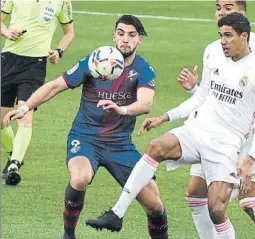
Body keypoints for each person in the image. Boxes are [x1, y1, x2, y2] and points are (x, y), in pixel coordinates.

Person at [85, 13, 255, 239]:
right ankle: (116, 213)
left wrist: (249, 159)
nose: (222, 41)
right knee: (156, 147)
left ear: (244, 37)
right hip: (198, 130)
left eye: (228, 36)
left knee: (216, 209)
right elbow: (201, 96)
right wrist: (164, 117)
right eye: (220, 35)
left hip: (226, 143)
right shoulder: (213, 52)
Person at [4, 15, 169, 239]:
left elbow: (145, 103)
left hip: (120, 144)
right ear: (114, 36)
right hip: (85, 137)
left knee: (155, 205)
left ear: (139, 39)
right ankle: (68, 235)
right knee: (80, 178)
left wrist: (121, 109)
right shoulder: (94, 61)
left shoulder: (143, 69)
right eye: (120, 34)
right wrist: (26, 108)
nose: (125, 40)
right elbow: (54, 86)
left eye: (131, 35)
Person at [166, 1, 255, 238]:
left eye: (228, 8)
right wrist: (193, 89)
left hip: (240, 139)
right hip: (211, 131)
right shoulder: (216, 48)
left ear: (243, 13)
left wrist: (249, 155)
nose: (221, 12)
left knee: (247, 201)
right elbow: (218, 96)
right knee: (196, 196)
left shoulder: (254, 50)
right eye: (218, 7)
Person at [1, 0, 75, 186]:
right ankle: (13, 154)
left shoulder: (63, 2)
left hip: (35, 65)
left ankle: (14, 165)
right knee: (1, 120)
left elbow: (69, 33)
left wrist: (59, 51)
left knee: (24, 115)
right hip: (8, 61)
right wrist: (7, 32)